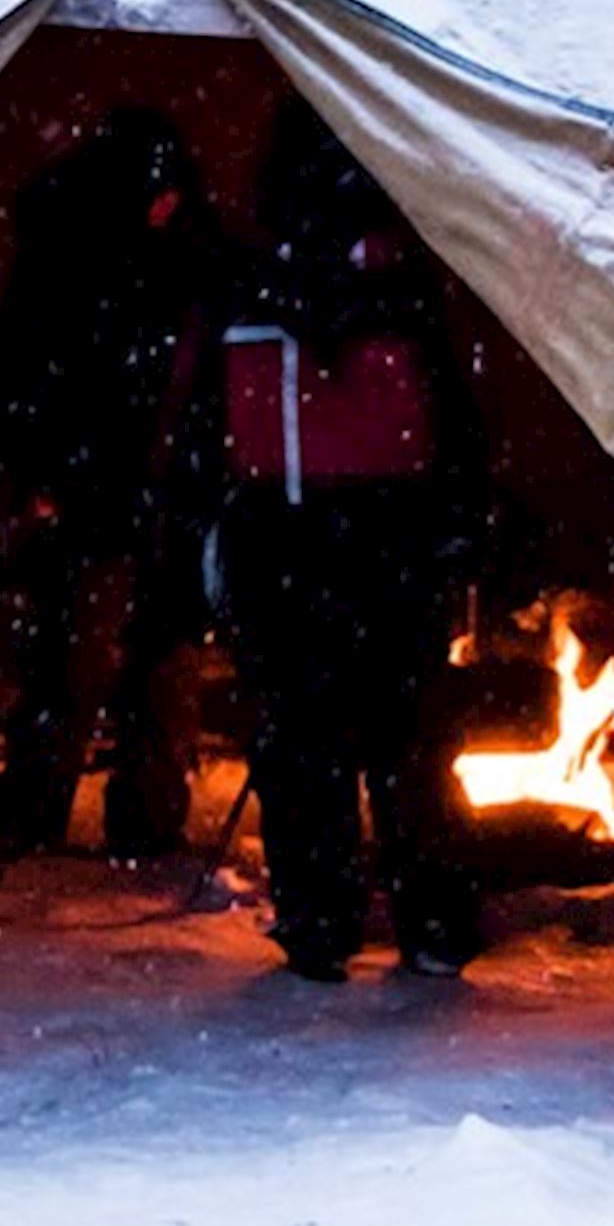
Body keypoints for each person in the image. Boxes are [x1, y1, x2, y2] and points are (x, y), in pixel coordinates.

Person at [208, 102, 487, 982]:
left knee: (307, 744)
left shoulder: (243, 279)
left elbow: (197, 424)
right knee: (401, 742)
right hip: (382, 536)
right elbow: (455, 419)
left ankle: (324, 920)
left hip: (291, 533)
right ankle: (426, 922)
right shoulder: (408, 279)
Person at [0, 103, 229, 855]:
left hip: (122, 489)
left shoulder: (78, 253)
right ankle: (98, 815)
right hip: (119, 489)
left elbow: (29, 372)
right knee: (103, 659)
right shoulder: (144, 261)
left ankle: (73, 811)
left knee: (100, 660)